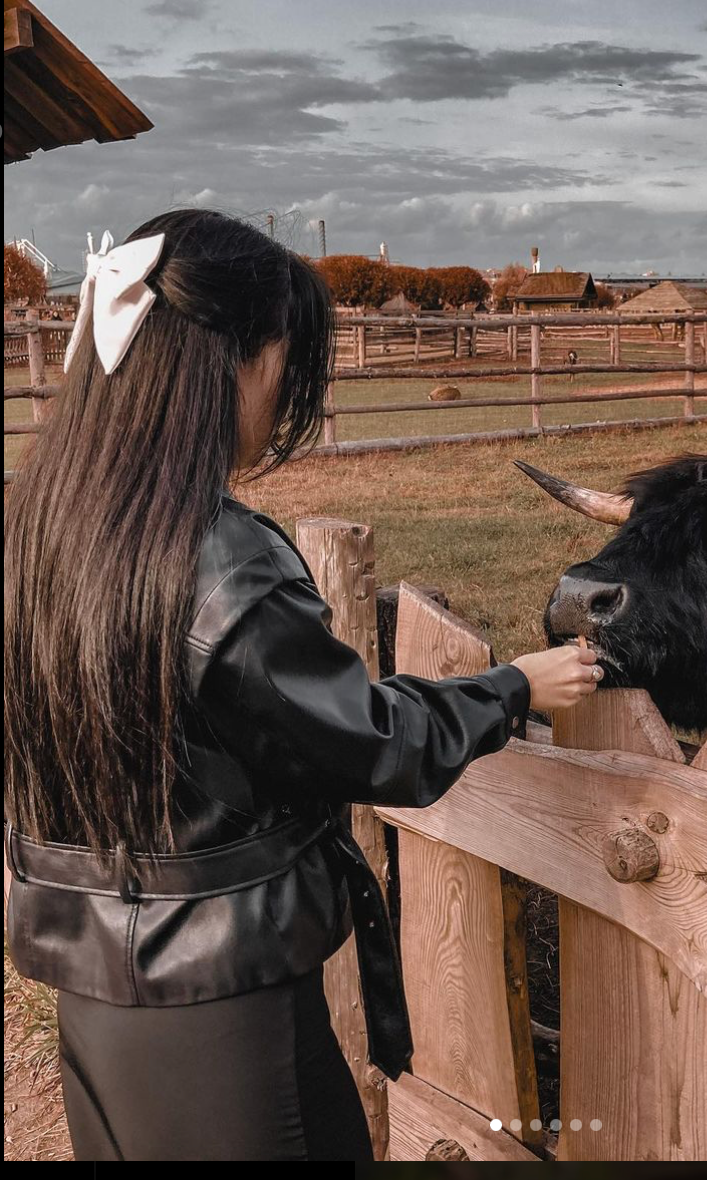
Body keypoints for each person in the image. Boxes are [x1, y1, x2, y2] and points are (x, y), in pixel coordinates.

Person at [3, 209, 601, 1162]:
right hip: (221, 1014)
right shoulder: (215, 564)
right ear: (231, 362)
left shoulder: (38, 528)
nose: (284, 398)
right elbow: (370, 741)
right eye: (283, 363)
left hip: (93, 989)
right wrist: (512, 688)